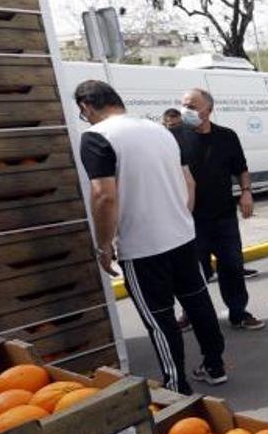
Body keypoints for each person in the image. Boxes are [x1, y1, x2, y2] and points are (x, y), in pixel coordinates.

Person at [75, 80, 229, 394]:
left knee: (160, 319)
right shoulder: (160, 131)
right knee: (199, 304)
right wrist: (180, 218)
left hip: (143, 248)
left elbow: (104, 197)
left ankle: (176, 386)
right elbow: (190, 183)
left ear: (86, 107)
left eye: (83, 113)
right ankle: (215, 366)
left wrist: (103, 245)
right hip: (183, 237)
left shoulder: (96, 138)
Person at [175, 88, 265, 330]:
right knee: (195, 271)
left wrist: (246, 192)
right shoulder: (175, 137)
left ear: (209, 109)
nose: (186, 110)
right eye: (184, 105)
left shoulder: (227, 137)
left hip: (224, 217)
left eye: (192, 106)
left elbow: (241, 168)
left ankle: (238, 312)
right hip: (190, 219)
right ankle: (190, 315)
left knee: (232, 266)